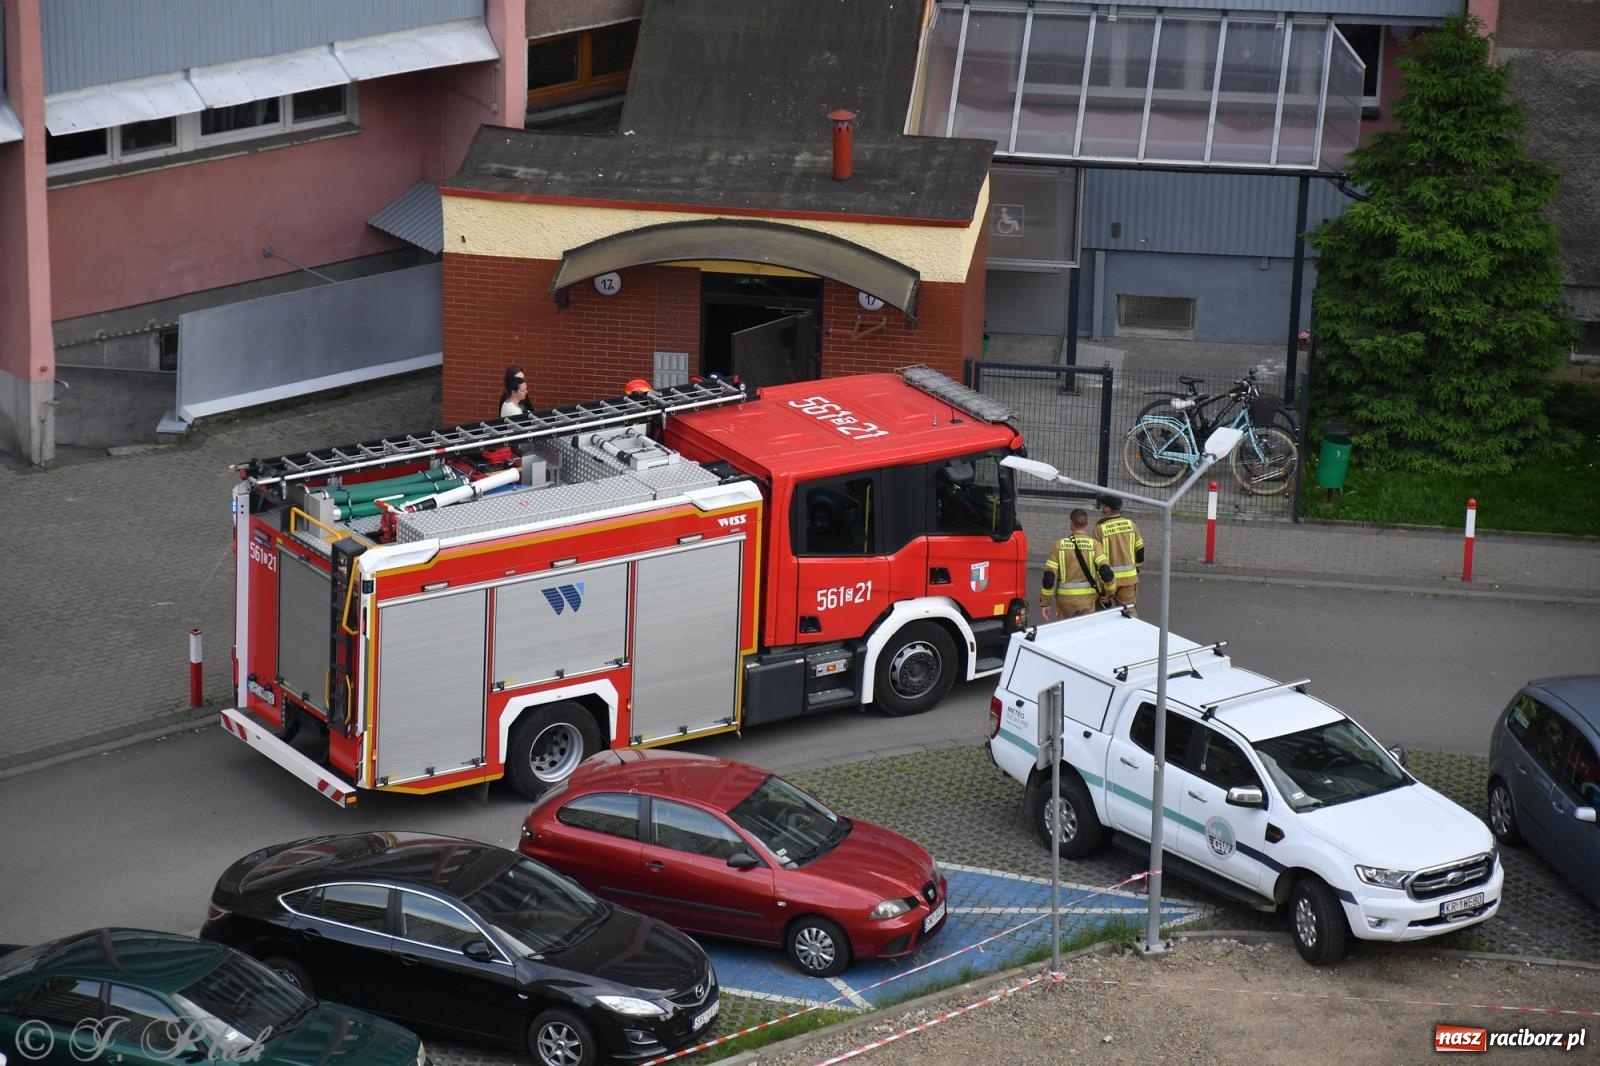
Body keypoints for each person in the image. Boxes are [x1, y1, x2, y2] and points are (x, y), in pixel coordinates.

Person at [1041, 508, 1114, 620]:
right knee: (1085, 629)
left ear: (1070, 523)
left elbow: (1049, 578)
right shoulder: (1095, 545)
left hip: (1065, 602)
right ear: (1087, 523)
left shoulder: (1059, 545)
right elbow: (1106, 571)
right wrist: (1110, 592)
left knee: (1067, 629)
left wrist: (1045, 603)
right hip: (1087, 600)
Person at [1095, 493, 1145, 617]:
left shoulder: (1100, 529)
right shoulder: (1131, 525)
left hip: (1108, 580)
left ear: (1108, 509)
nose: (1101, 507)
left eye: (1103, 505)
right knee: (1129, 612)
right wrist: (1137, 569)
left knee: (1100, 613)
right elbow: (1140, 550)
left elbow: (1095, 557)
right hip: (1129, 579)